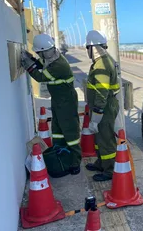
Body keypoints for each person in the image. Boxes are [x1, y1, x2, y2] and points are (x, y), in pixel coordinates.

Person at [21, 34, 82, 177]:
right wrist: (33, 60)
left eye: (39, 53)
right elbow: (43, 66)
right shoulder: (53, 58)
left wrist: (28, 65)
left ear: (44, 51)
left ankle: (75, 162)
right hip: (58, 101)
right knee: (57, 129)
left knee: (70, 132)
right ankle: (60, 154)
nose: (40, 55)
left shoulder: (59, 65)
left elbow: (41, 76)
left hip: (66, 102)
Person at [84, 30, 120, 181]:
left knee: (106, 138)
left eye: (87, 48)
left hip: (104, 108)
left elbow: (101, 93)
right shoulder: (101, 62)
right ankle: (101, 163)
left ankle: (110, 170)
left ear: (93, 48)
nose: (87, 51)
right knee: (99, 138)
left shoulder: (102, 65)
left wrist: (97, 114)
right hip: (102, 107)